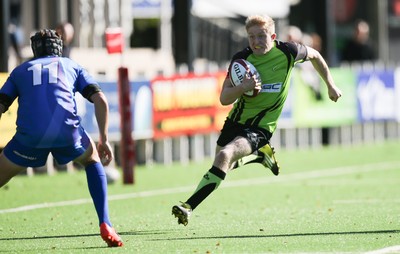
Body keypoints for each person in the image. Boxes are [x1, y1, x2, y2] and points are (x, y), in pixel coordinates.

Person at [172, 14, 342, 226]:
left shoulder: (288, 52)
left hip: (261, 127)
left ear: (273, 36)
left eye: (261, 36)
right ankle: (260, 156)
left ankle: (188, 207)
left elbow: (315, 55)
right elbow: (224, 98)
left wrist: (330, 85)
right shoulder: (241, 60)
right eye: (251, 37)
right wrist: (243, 88)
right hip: (236, 121)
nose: (256, 42)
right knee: (222, 163)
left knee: (226, 155)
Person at [0, 29, 123, 247]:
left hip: (29, 138)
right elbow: (101, 99)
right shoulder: (71, 65)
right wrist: (103, 139)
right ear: (59, 47)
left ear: (34, 50)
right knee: (92, 160)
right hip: (69, 133)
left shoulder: (20, 70)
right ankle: (106, 223)